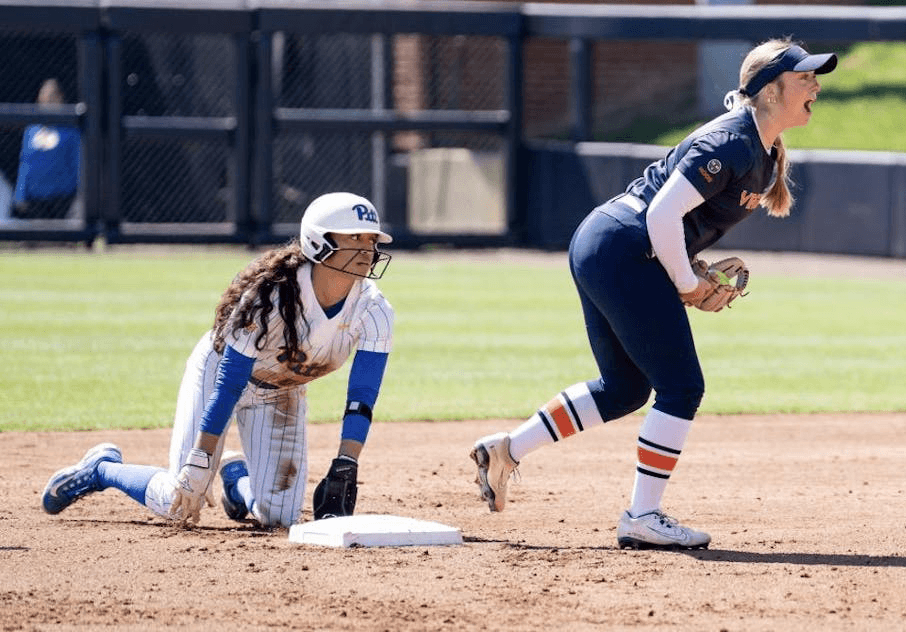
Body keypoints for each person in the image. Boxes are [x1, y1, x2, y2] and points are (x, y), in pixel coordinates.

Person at [471, 38, 837, 550]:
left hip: (610, 245)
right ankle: (642, 515)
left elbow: (672, 222)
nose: (815, 86)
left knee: (624, 389)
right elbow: (661, 214)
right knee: (682, 387)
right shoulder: (731, 142)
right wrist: (687, 283)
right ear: (771, 92)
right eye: (804, 78)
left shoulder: (764, 149)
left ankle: (507, 450)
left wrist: (690, 266)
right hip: (622, 247)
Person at [41, 192, 395, 528]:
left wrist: (347, 463)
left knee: (280, 517)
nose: (367, 249)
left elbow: (362, 396)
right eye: (355, 238)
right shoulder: (271, 295)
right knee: (178, 500)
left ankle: (236, 482)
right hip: (219, 375)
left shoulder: (374, 309)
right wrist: (201, 458)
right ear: (319, 241)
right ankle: (102, 469)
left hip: (281, 392)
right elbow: (229, 382)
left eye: (371, 240)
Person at [13, 78, 81, 219]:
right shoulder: (31, 130)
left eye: (52, 95)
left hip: (62, 199)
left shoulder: (71, 131)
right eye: (44, 95)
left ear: (61, 98)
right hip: (35, 200)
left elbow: (78, 164)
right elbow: (25, 163)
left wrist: (80, 196)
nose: (48, 99)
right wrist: (20, 194)